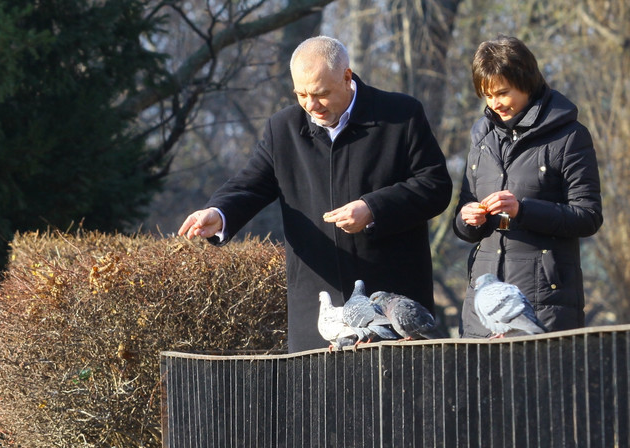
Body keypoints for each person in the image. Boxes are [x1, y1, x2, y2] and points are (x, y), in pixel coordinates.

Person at [178, 36, 452, 352]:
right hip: (318, 309)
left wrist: (373, 208)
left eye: (321, 94)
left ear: (347, 77)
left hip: (392, 307)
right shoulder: (282, 128)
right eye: (301, 94)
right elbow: (250, 184)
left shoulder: (401, 115)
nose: (311, 105)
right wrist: (218, 212)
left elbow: (435, 186)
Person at [453, 35, 602, 337]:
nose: (495, 104)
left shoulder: (570, 136)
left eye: (503, 93)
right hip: (481, 306)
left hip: (544, 303)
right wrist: (468, 219)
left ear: (526, 80)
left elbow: (588, 216)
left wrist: (522, 210)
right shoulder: (480, 139)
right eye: (487, 95)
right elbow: (462, 223)